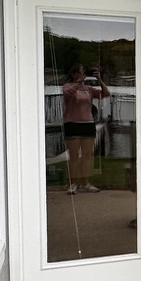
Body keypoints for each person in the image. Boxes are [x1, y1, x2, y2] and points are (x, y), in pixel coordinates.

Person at [61, 64, 109, 194]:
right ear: (74, 74)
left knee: (87, 156)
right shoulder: (67, 86)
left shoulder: (89, 89)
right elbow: (68, 94)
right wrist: (78, 82)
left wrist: (99, 79)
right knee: (74, 156)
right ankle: (72, 183)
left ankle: (85, 183)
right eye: (81, 72)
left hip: (87, 123)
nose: (83, 74)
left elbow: (105, 94)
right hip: (72, 123)